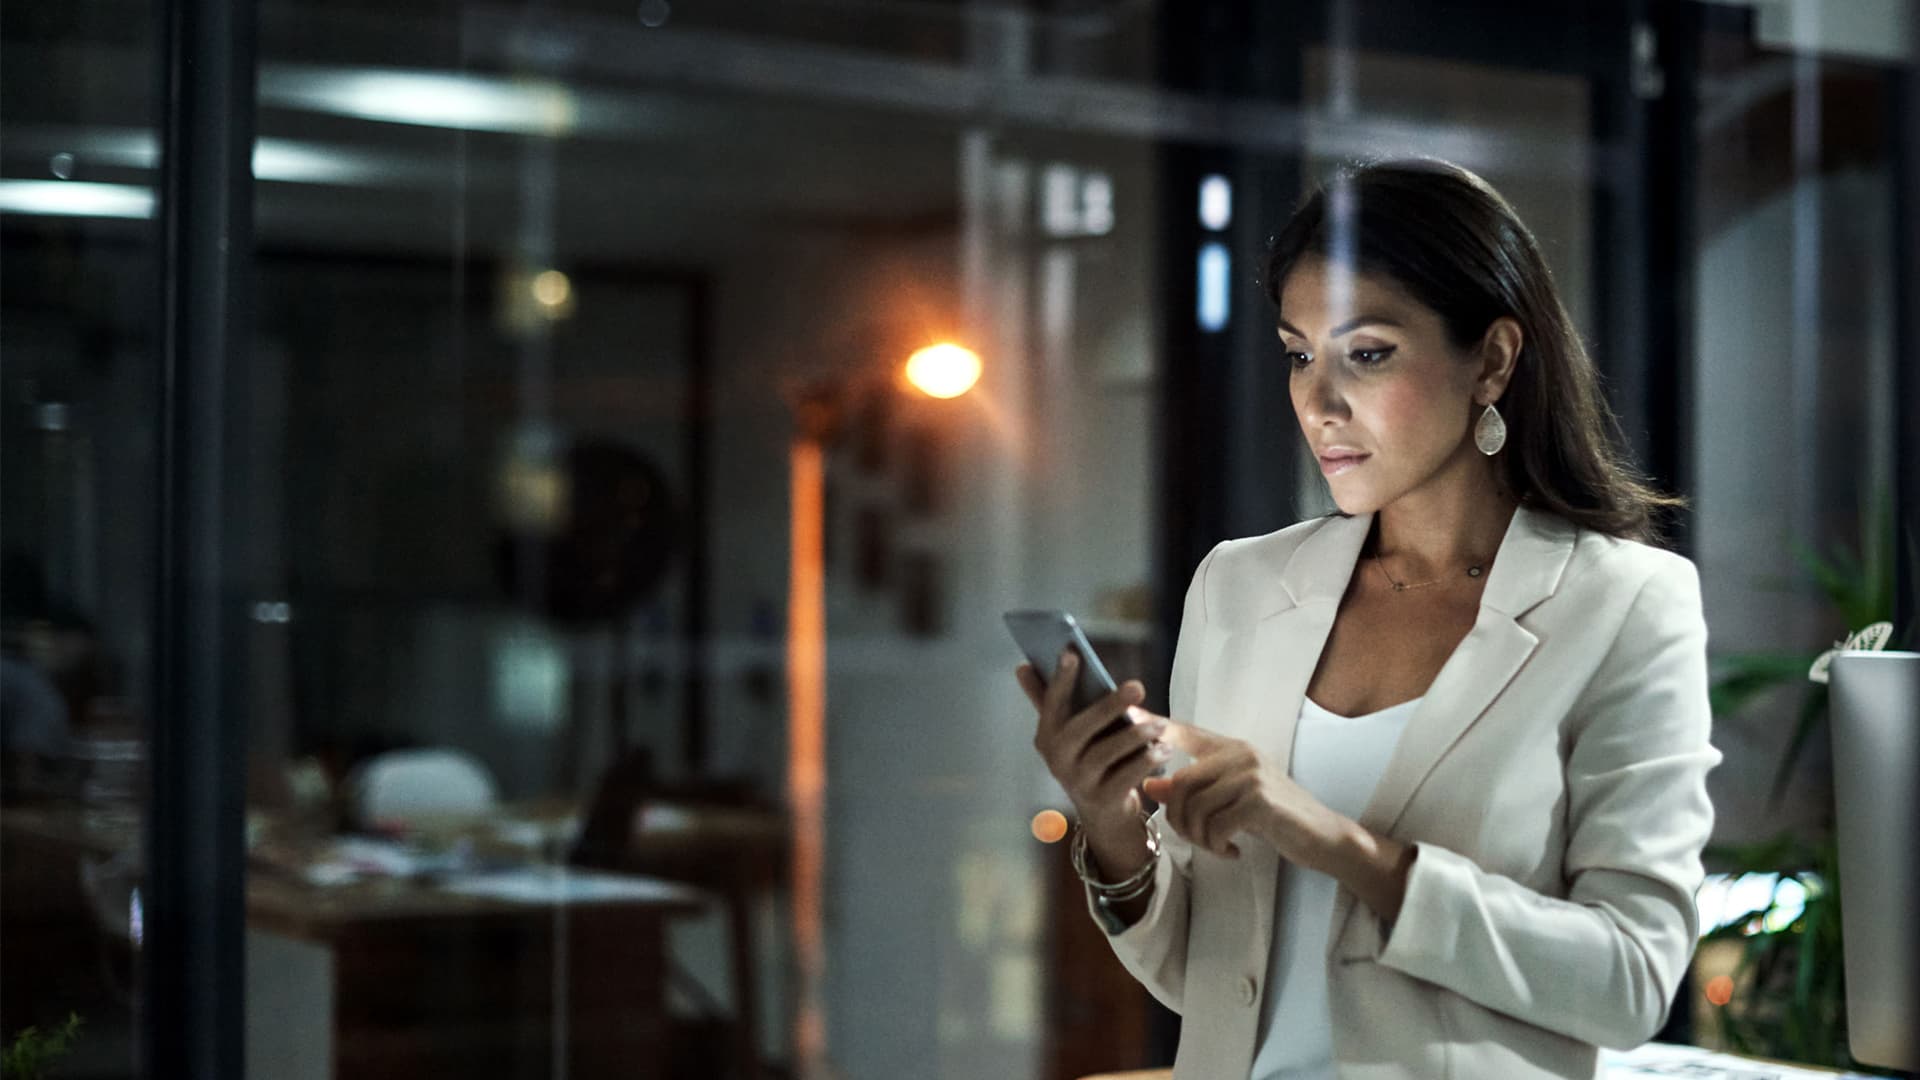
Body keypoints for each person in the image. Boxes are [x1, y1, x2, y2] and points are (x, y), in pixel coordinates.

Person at [1018, 159, 1721, 1080]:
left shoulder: (1626, 605)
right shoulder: (1237, 587)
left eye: (1369, 353)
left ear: (1494, 360)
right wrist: (1113, 826)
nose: (1319, 401)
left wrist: (1341, 844)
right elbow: (1205, 977)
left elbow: (1632, 982)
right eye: (1300, 354)